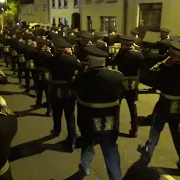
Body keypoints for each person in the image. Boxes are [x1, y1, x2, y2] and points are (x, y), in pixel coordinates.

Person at [138, 41, 180, 175]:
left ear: (173, 55)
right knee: (177, 133)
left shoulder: (166, 68)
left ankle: (146, 156)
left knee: (155, 129)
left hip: (165, 102)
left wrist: (163, 64)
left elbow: (151, 75)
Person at [73, 45, 125, 180]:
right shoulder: (117, 77)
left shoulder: (81, 77)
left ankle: (85, 167)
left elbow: (74, 91)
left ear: (89, 61)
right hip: (110, 122)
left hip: (88, 121)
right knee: (111, 151)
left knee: (87, 144)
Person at [48, 37, 81, 152]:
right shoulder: (72, 60)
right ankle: (71, 139)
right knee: (70, 115)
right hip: (69, 89)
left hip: (56, 88)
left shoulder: (51, 60)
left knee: (57, 112)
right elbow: (80, 68)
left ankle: (57, 130)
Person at [114, 35, 143, 138]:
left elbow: (114, 61)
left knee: (117, 106)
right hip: (133, 82)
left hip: (121, 81)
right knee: (132, 106)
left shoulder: (122, 54)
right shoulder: (138, 54)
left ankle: (115, 129)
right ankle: (134, 130)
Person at [33, 37, 53, 116]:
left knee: (39, 89)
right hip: (46, 72)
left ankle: (38, 102)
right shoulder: (48, 54)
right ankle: (49, 110)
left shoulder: (35, 53)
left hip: (38, 72)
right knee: (48, 92)